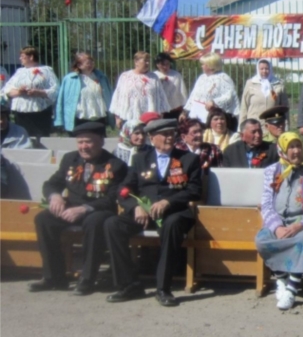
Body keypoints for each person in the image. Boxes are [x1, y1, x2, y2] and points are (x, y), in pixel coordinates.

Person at [104, 118, 202, 307]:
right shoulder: (141, 159)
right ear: (151, 137)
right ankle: (129, 284)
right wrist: (135, 206)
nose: (168, 138)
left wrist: (168, 201)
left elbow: (194, 190)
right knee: (112, 224)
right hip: (145, 213)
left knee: (171, 225)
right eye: (164, 134)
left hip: (175, 212)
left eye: (171, 134)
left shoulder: (188, 158)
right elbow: (124, 189)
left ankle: (163, 288)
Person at [29, 122, 128, 295]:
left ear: (101, 141)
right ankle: (54, 277)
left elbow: (112, 198)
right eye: (80, 142)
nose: (84, 147)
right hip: (70, 208)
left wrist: (84, 208)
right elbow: (52, 183)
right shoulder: (70, 159)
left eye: (88, 142)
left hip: (99, 210)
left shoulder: (115, 164)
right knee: (43, 219)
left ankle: (88, 279)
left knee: (94, 222)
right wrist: (55, 196)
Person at [255, 132, 303, 311]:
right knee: (262, 240)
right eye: (291, 147)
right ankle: (281, 278)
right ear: (282, 150)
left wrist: (300, 225)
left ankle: (292, 288)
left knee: (300, 240)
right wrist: (277, 227)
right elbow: (266, 203)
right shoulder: (272, 171)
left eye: (298, 146)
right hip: (279, 221)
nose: (296, 151)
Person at [3, 46, 59, 137]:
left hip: (40, 112)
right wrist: (19, 91)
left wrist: (39, 92)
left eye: (22, 56)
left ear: (31, 57)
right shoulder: (19, 71)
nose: (20, 58)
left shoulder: (46, 70)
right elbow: (7, 89)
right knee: (22, 136)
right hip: (20, 113)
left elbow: (55, 90)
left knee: (39, 138)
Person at [55, 51, 113, 135]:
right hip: (79, 117)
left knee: (98, 142)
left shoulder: (101, 77)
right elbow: (61, 100)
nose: (90, 65)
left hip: (98, 117)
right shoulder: (70, 79)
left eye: (91, 62)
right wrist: (59, 120)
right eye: (87, 63)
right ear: (79, 65)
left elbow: (109, 96)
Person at [109, 51, 170, 130]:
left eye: (148, 61)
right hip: (129, 117)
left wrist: (160, 115)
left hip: (149, 119)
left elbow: (161, 98)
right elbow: (118, 97)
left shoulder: (154, 77)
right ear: (136, 62)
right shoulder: (125, 76)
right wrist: (117, 118)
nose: (147, 63)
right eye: (145, 61)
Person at [183, 53, 240, 129]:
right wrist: (185, 112)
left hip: (215, 119)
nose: (201, 66)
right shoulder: (201, 78)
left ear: (211, 65)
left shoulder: (223, 78)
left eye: (203, 64)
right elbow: (193, 96)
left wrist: (214, 102)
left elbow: (229, 96)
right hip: (199, 117)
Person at [239, 59, 289, 141]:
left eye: (266, 69)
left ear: (270, 69)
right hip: (254, 125)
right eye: (261, 69)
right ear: (258, 69)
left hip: (272, 126)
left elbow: (284, 107)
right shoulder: (250, 83)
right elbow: (244, 106)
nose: (264, 71)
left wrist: (286, 126)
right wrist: (241, 127)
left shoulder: (278, 84)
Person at [153, 53, 187, 121]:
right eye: (163, 64)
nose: (165, 67)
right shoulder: (154, 76)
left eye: (167, 64)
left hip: (175, 110)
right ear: (157, 65)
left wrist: (184, 110)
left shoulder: (176, 75)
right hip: (160, 112)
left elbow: (183, 93)